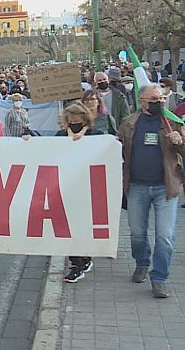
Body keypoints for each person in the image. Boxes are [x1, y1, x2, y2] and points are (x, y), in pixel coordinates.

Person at [119, 83, 185, 298]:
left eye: (162, 99)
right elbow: (116, 149)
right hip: (137, 186)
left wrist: (180, 142)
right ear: (142, 102)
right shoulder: (129, 123)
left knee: (165, 236)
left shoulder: (172, 122)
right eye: (154, 100)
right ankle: (142, 263)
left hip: (166, 187)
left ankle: (159, 278)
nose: (160, 102)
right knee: (137, 233)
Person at [53, 102, 105, 283]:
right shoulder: (60, 136)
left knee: (84, 225)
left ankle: (85, 257)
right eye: (71, 119)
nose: (74, 122)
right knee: (68, 226)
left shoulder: (96, 135)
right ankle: (76, 263)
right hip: (67, 188)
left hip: (89, 188)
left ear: (85, 119)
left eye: (78, 119)